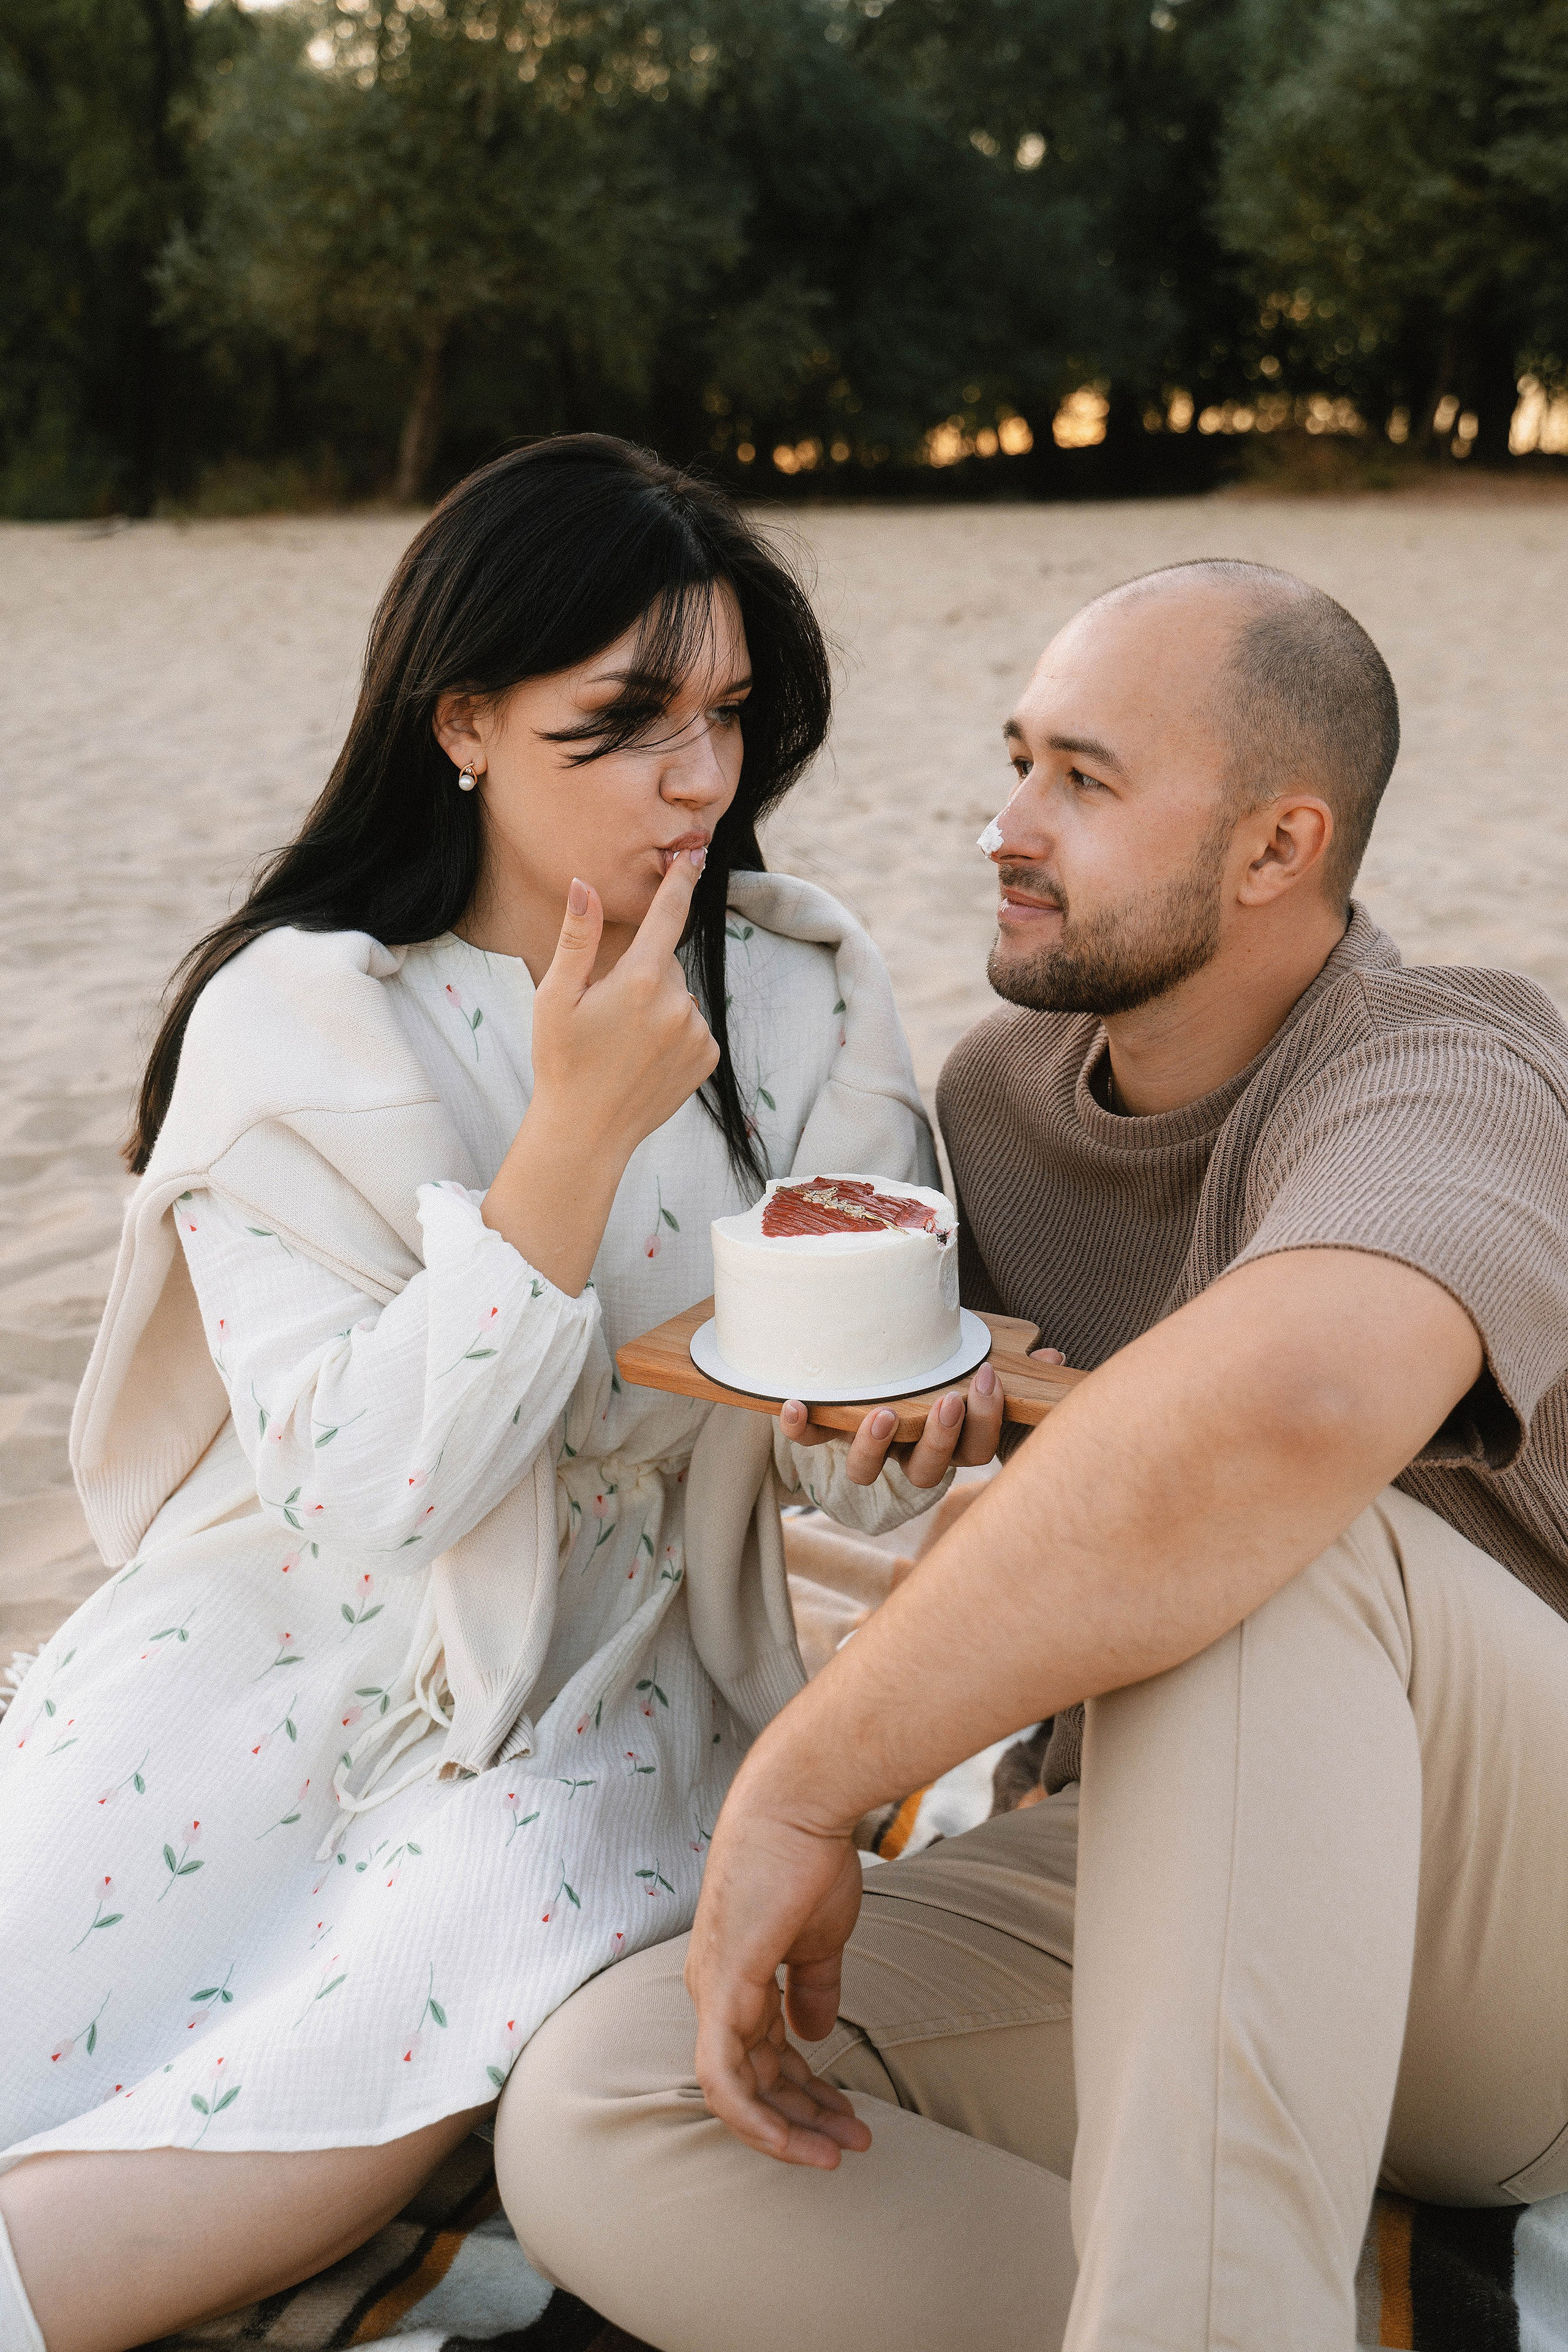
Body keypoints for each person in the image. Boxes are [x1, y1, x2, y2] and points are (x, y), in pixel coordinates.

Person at [0, 435, 1003, 2352]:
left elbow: (855, 1448)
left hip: (623, 1678)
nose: (698, 779)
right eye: (624, 724)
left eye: (728, 717)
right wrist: (571, 1138)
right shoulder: (300, 1014)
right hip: (287, 1620)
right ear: (462, 721)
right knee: (64, 1954)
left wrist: (892, 1440)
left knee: (401, 2008)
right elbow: (357, 1494)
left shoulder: (799, 990)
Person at [498, 559, 1568, 2352]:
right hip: (1184, 1880)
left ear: (1274, 846)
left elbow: (1280, 1416)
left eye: (1084, 778)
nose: (1005, 823)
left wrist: (808, 1784)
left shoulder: (1453, 1065)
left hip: (1515, 1940)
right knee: (623, 2099)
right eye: (1017, 762)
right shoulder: (1000, 1104)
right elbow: (923, 1433)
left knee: (1266, 1538)